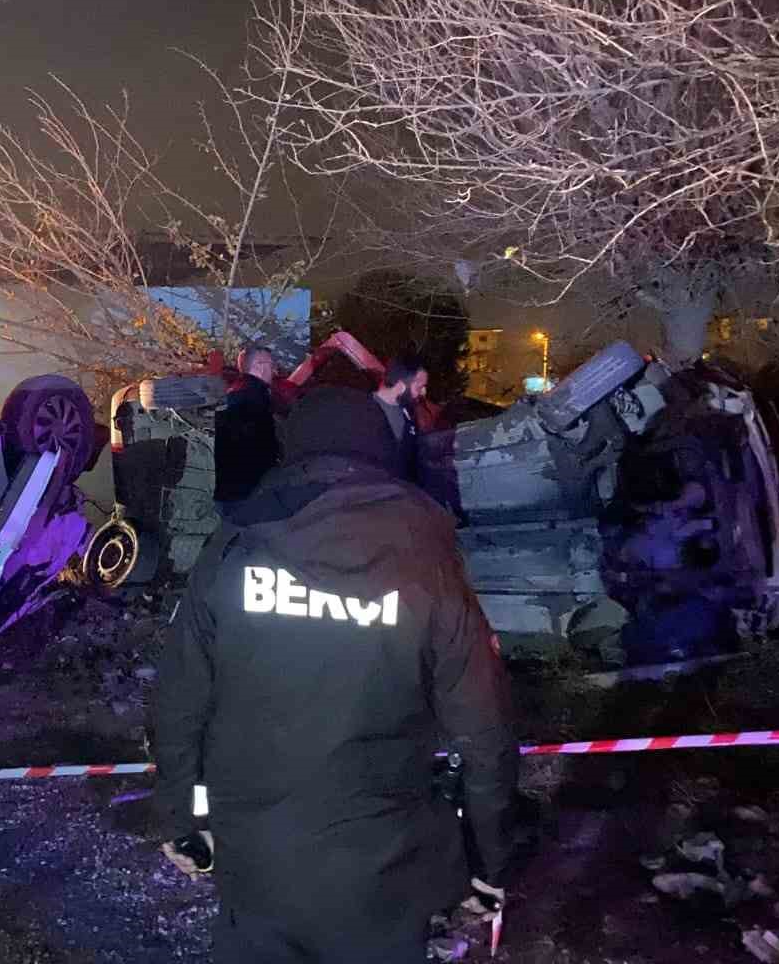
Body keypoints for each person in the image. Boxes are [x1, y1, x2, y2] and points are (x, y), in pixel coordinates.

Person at [151, 385, 518, 963]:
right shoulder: (426, 561)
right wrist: (487, 860)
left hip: (257, 861)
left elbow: (180, 697)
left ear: (293, 448)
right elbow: (484, 731)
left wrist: (182, 818)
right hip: (383, 869)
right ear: (381, 449)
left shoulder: (235, 545)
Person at [212, 346, 280, 516]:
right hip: (249, 496)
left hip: (228, 493)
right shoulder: (257, 398)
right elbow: (266, 449)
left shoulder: (233, 394)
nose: (274, 371)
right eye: (271, 365)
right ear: (259, 365)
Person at [374, 351, 428, 482]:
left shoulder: (407, 411)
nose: (423, 392)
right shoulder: (368, 411)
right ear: (401, 386)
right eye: (419, 387)